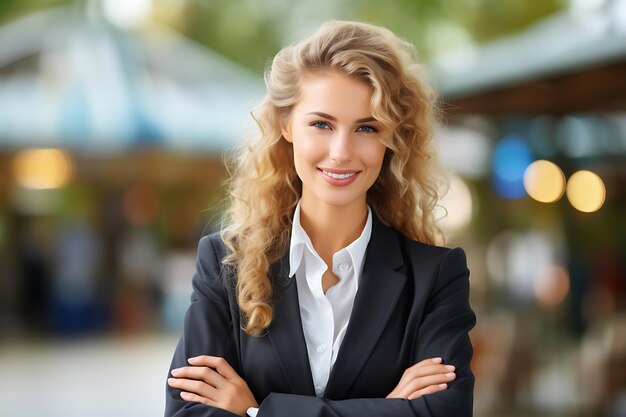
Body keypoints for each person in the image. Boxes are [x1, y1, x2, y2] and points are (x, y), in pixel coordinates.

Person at [165, 20, 476, 417]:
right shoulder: (225, 263)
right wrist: (392, 408)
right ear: (286, 124)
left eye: (367, 127)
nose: (341, 151)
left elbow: (445, 413)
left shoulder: (436, 277)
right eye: (321, 124)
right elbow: (188, 412)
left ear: (393, 138)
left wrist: (258, 412)